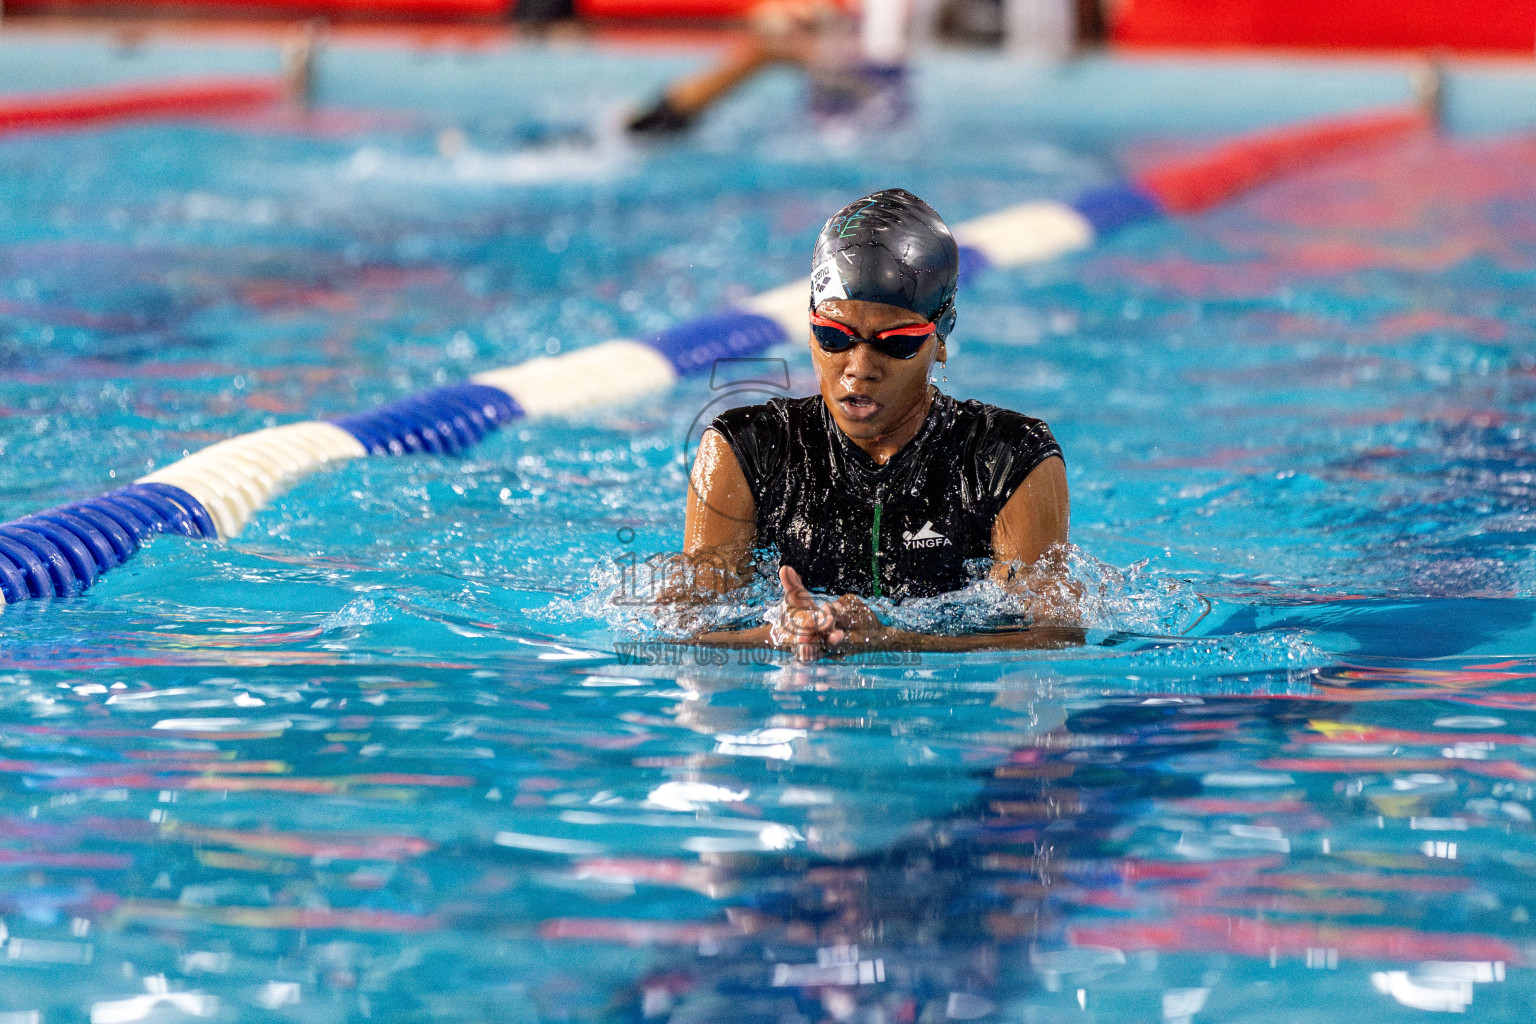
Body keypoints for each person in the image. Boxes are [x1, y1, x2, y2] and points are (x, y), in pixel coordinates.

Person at [675, 188, 1074, 661]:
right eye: (834, 336)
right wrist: (784, 635)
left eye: (896, 342)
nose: (859, 367)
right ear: (809, 329)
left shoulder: (1007, 459)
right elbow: (685, 629)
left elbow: (1054, 637)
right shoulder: (746, 450)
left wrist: (897, 642)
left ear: (940, 339)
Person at [626, 0, 911, 136]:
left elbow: (882, 52)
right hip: (869, 88)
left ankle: (656, 117)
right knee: (765, 43)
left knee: (765, 47)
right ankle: (656, 117)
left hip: (871, 85)